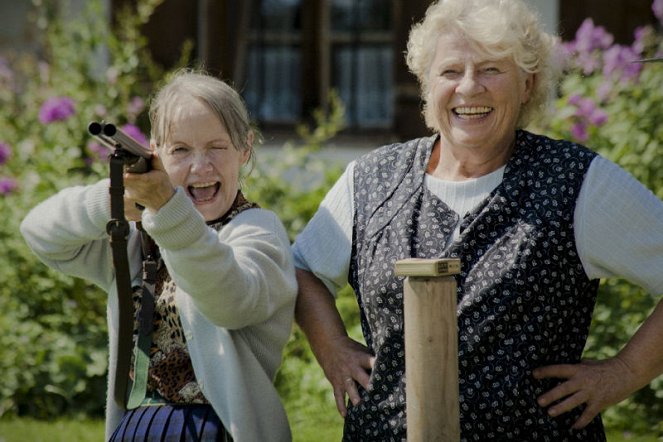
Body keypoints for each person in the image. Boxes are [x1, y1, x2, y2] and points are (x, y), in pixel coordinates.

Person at [292, 0, 663, 440]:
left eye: (491, 70)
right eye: (450, 71)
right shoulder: (372, 179)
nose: (469, 88)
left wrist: (622, 372)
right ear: (428, 85)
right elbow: (302, 269)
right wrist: (332, 348)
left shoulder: (577, 182)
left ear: (527, 85)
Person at [21, 70, 297, 441]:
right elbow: (38, 232)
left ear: (244, 148)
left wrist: (168, 211)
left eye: (216, 147)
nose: (200, 167)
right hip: (136, 428)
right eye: (180, 150)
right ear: (157, 153)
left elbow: (228, 300)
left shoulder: (257, 230)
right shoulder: (143, 236)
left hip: (219, 431)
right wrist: (112, 202)